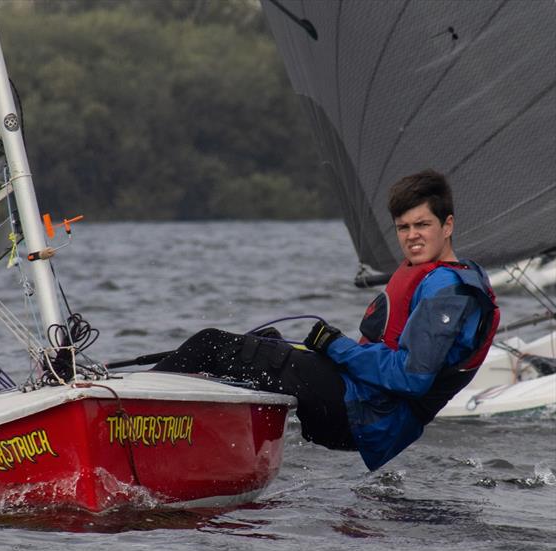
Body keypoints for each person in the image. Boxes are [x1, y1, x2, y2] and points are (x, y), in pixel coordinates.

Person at [153, 169, 499, 470]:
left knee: (210, 343)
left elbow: (411, 378)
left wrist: (336, 346)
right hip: (360, 404)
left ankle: (127, 415)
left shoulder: (449, 292)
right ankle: (195, 449)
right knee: (260, 345)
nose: (411, 236)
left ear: (448, 224)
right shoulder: (443, 276)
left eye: (422, 225)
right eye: (403, 227)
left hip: (360, 414)